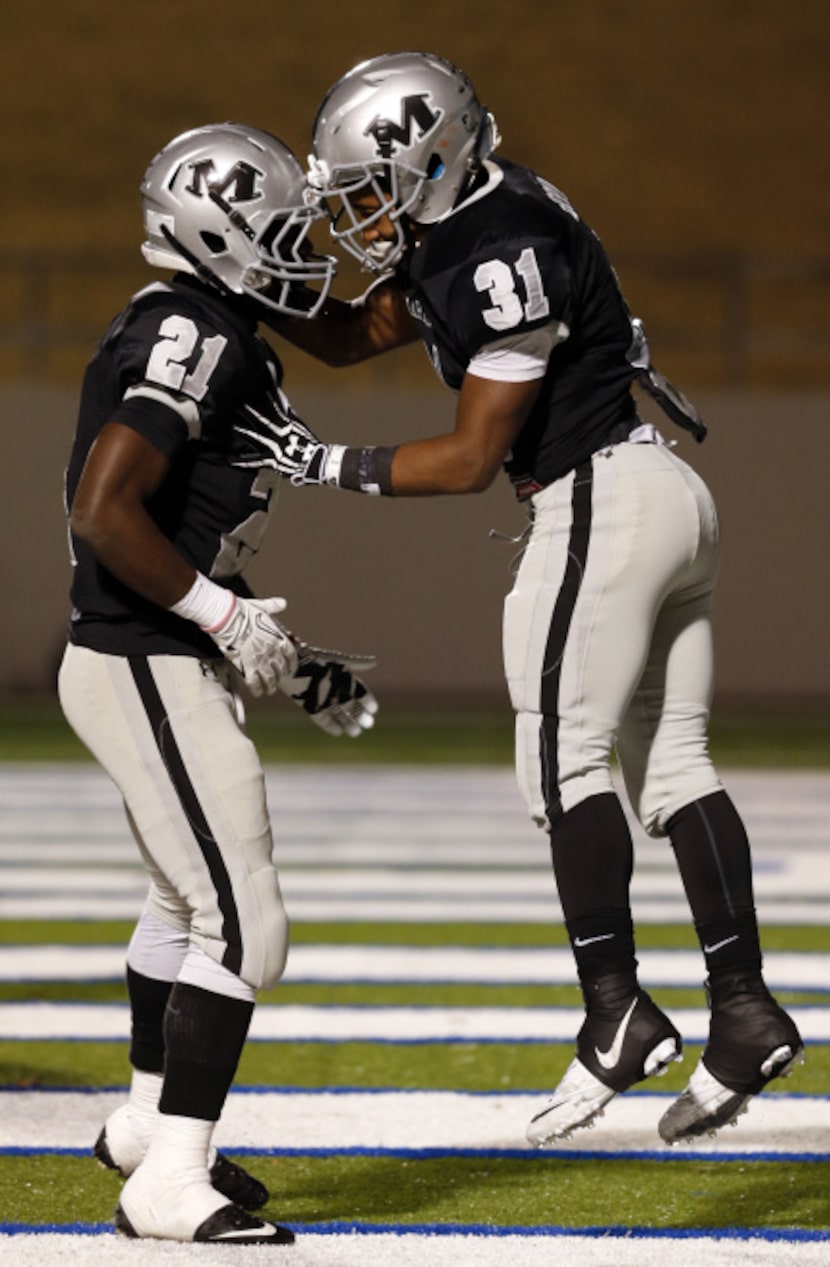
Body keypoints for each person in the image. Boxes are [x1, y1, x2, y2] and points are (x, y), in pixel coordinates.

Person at [265, 51, 804, 1148]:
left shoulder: (502, 250)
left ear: (427, 162)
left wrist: (323, 465)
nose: (360, 217)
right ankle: (741, 1009)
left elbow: (469, 458)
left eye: (370, 189)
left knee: (560, 763)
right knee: (672, 765)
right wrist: (255, 296)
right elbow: (365, 326)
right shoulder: (476, 217)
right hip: (657, 496)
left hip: (598, 499)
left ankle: (614, 1007)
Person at [58, 121, 378, 1245]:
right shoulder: (191, 331)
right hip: (140, 654)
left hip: (152, 654)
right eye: (281, 230)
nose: (300, 251)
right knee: (244, 924)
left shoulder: (212, 325)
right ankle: (166, 1184)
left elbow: (198, 541)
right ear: (218, 232)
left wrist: (289, 661)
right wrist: (221, 613)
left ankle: (150, 1126)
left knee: (180, 901)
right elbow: (104, 510)